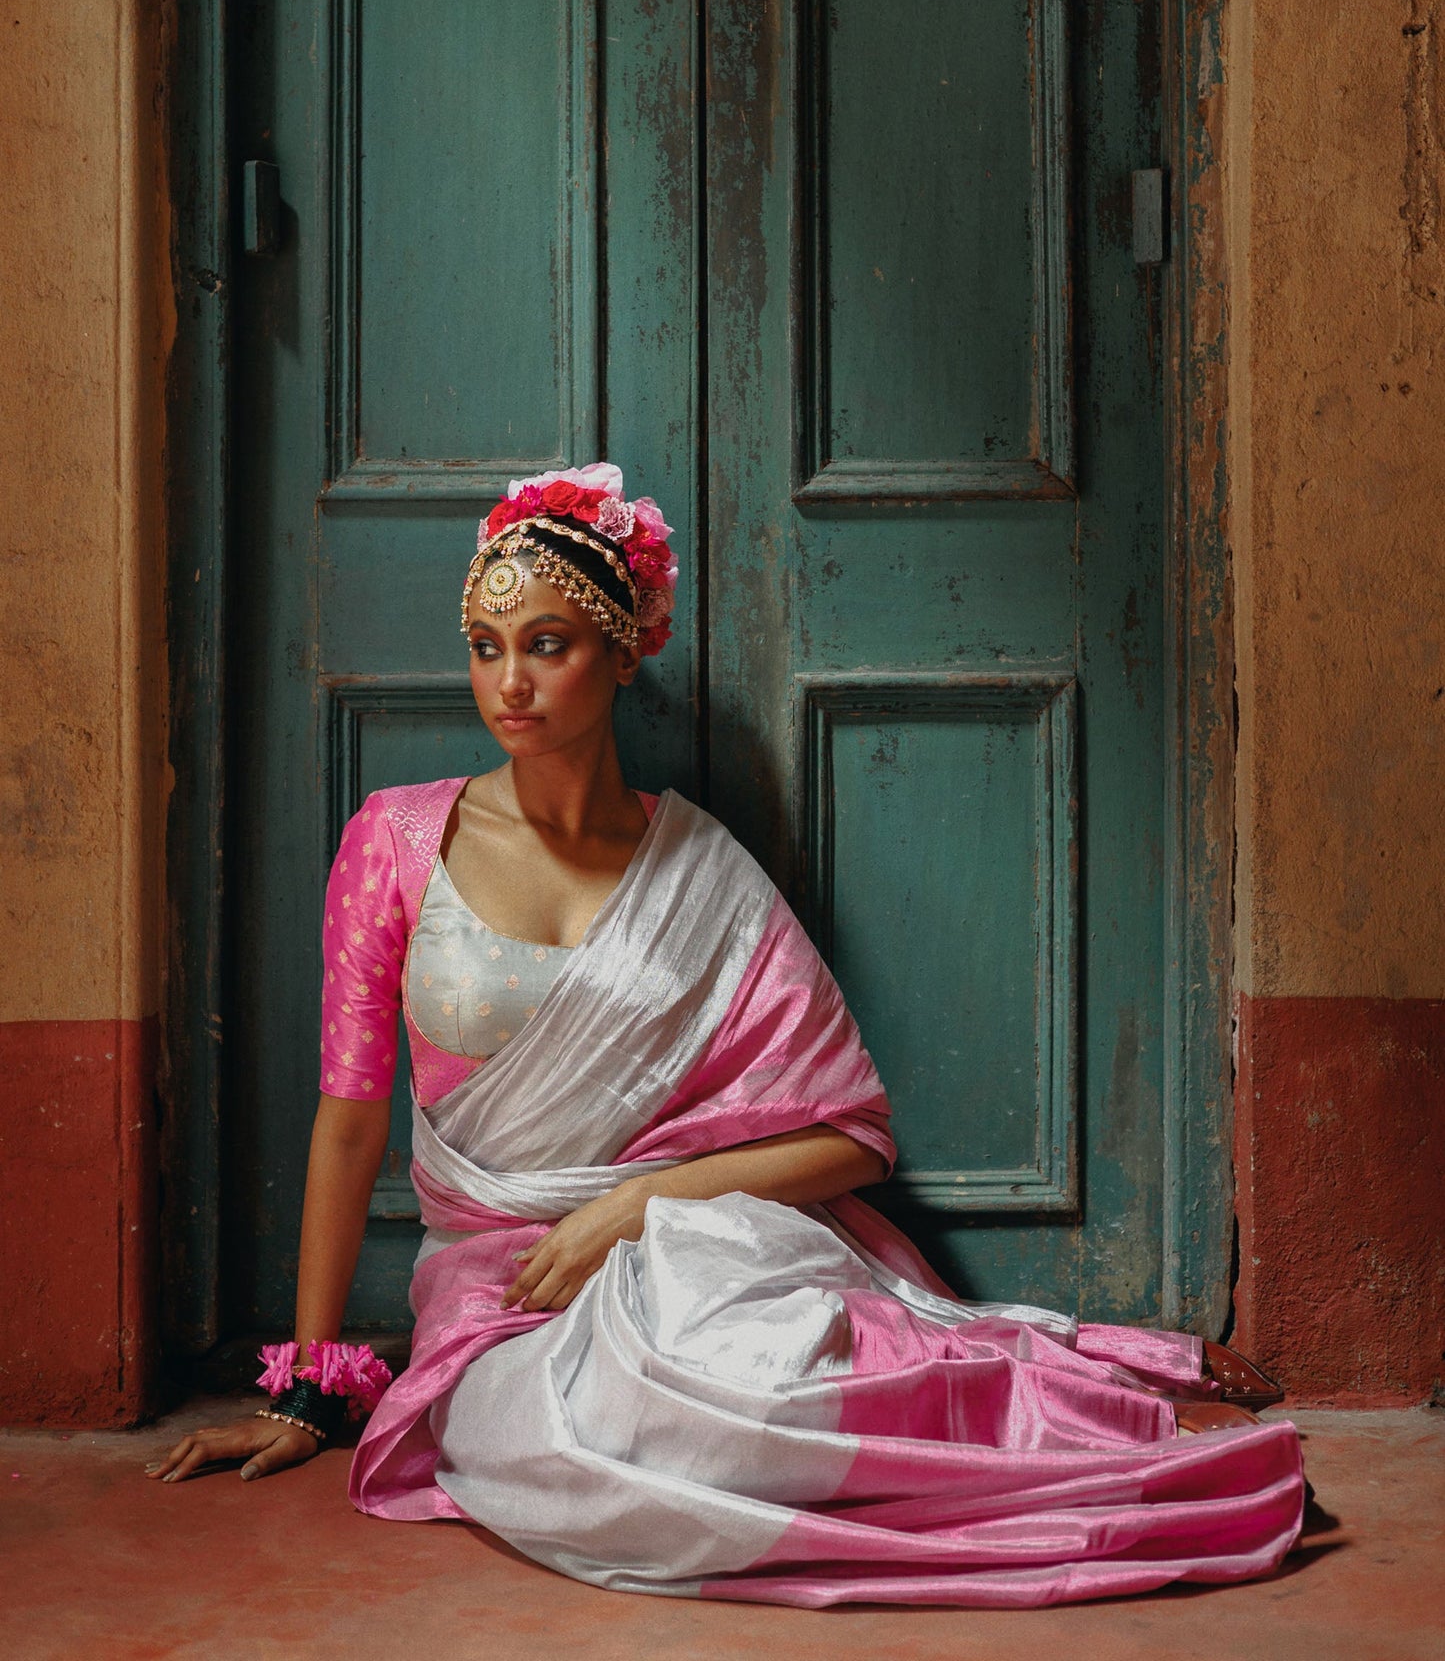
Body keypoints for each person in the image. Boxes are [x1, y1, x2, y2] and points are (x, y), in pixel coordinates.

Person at [149, 463, 1303, 1606]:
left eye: (547, 643)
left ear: (622, 648)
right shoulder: (395, 842)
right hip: (505, 1286)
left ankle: (1096, 1415)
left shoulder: (697, 867)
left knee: (757, 1381)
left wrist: (630, 1208)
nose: (509, 681)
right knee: (566, 1450)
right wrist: (305, 1387)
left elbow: (851, 1133)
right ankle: (1041, 1433)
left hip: (698, 1247)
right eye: (486, 644)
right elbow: (348, 1124)